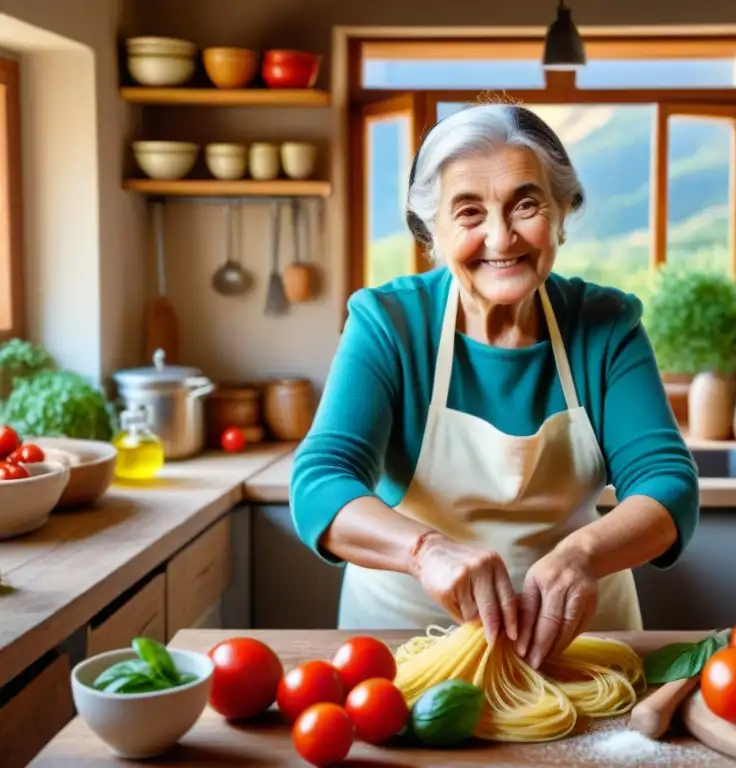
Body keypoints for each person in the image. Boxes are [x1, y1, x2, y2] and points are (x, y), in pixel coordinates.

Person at [290, 102, 699, 670]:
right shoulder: (389, 322)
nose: (500, 236)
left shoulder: (606, 325)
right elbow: (320, 480)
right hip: (407, 647)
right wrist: (424, 551)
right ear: (430, 229)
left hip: (579, 642)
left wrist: (583, 553)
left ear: (562, 212)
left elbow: (667, 480)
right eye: (469, 212)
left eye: (525, 204)